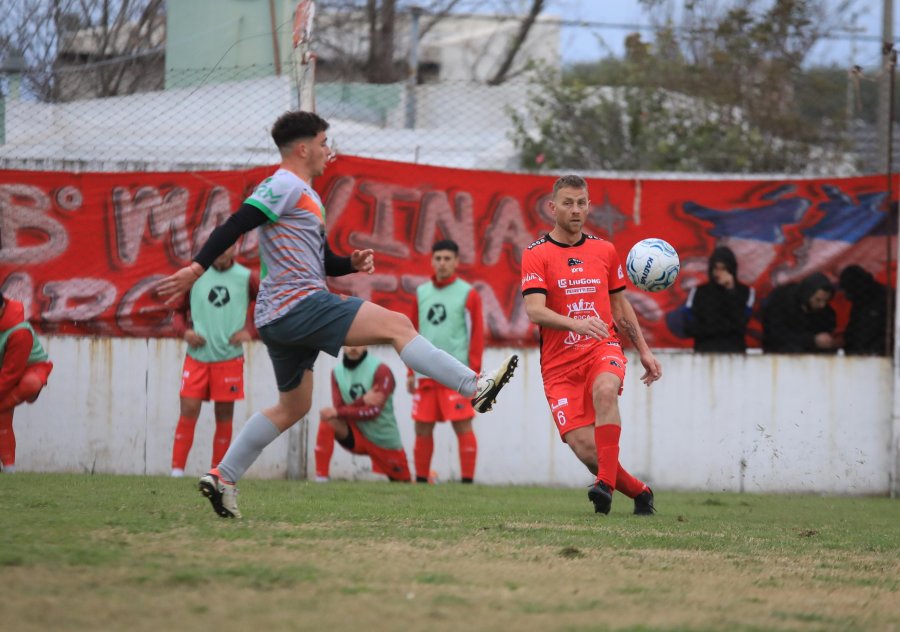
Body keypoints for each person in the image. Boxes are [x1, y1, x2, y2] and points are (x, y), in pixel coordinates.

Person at [157, 110, 517, 519]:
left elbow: (320, 260)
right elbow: (240, 221)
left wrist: (349, 262)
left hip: (279, 318)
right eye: (325, 143)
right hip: (299, 305)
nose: (330, 151)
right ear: (303, 148)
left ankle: (223, 476)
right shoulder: (284, 184)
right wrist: (196, 268)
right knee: (399, 326)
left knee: (293, 407)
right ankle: (475, 387)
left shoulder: (307, 196)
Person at [520, 174, 659, 516]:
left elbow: (620, 307)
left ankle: (605, 488)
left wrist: (643, 349)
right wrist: (576, 323)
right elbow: (535, 311)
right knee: (588, 452)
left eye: (581, 203)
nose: (576, 210)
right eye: (568, 203)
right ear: (552, 208)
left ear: (589, 206)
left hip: (602, 348)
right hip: (559, 366)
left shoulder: (604, 250)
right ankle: (640, 492)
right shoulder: (536, 254)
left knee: (606, 389)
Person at [169, 245, 258, 477]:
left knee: (224, 414)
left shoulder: (247, 277)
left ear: (235, 248)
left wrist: (251, 329)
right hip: (197, 357)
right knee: (188, 409)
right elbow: (177, 312)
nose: (221, 251)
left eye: (227, 246)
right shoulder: (194, 275)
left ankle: (216, 474)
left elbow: (269, 304)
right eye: (218, 246)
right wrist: (184, 332)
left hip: (229, 358)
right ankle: (176, 472)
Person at [407, 239, 484, 484]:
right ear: (432, 261)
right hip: (425, 373)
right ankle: (420, 482)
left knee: (462, 426)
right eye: (438, 258)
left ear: (456, 262)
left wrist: (475, 374)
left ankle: (467, 483)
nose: (442, 263)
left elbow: (477, 336)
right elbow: (410, 334)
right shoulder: (421, 293)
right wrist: (410, 372)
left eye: (447, 259)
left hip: (456, 374)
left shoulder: (468, 294)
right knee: (422, 427)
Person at [314, 345, 411, 482]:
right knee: (329, 419)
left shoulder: (381, 370)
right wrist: (363, 401)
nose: (353, 347)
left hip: (383, 440)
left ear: (366, 344)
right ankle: (321, 478)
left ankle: (428, 478)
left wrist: (342, 410)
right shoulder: (336, 373)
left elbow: (373, 411)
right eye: (349, 342)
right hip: (357, 435)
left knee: (404, 483)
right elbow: (339, 410)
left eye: (359, 342)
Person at [0, 294, 54, 473]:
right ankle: (9, 470)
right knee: (3, 419)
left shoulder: (19, 332)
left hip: (29, 369)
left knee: (30, 384)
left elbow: (11, 373)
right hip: (7, 373)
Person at [684, 246, 755, 353]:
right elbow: (690, 325)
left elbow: (741, 324)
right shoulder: (699, 292)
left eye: (723, 269)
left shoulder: (746, 292)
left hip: (735, 353)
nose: (718, 273)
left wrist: (730, 290)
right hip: (704, 351)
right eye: (716, 268)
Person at [761, 272, 838, 353]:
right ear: (807, 294)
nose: (822, 305)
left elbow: (827, 330)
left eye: (826, 301)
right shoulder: (781, 301)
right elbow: (775, 335)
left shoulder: (825, 312)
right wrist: (812, 340)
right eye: (818, 300)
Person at [839, 264, 889, 356]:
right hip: (860, 354)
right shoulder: (860, 298)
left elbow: (891, 332)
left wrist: (873, 351)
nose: (847, 296)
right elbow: (853, 328)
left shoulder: (887, 298)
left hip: (880, 355)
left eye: (848, 291)